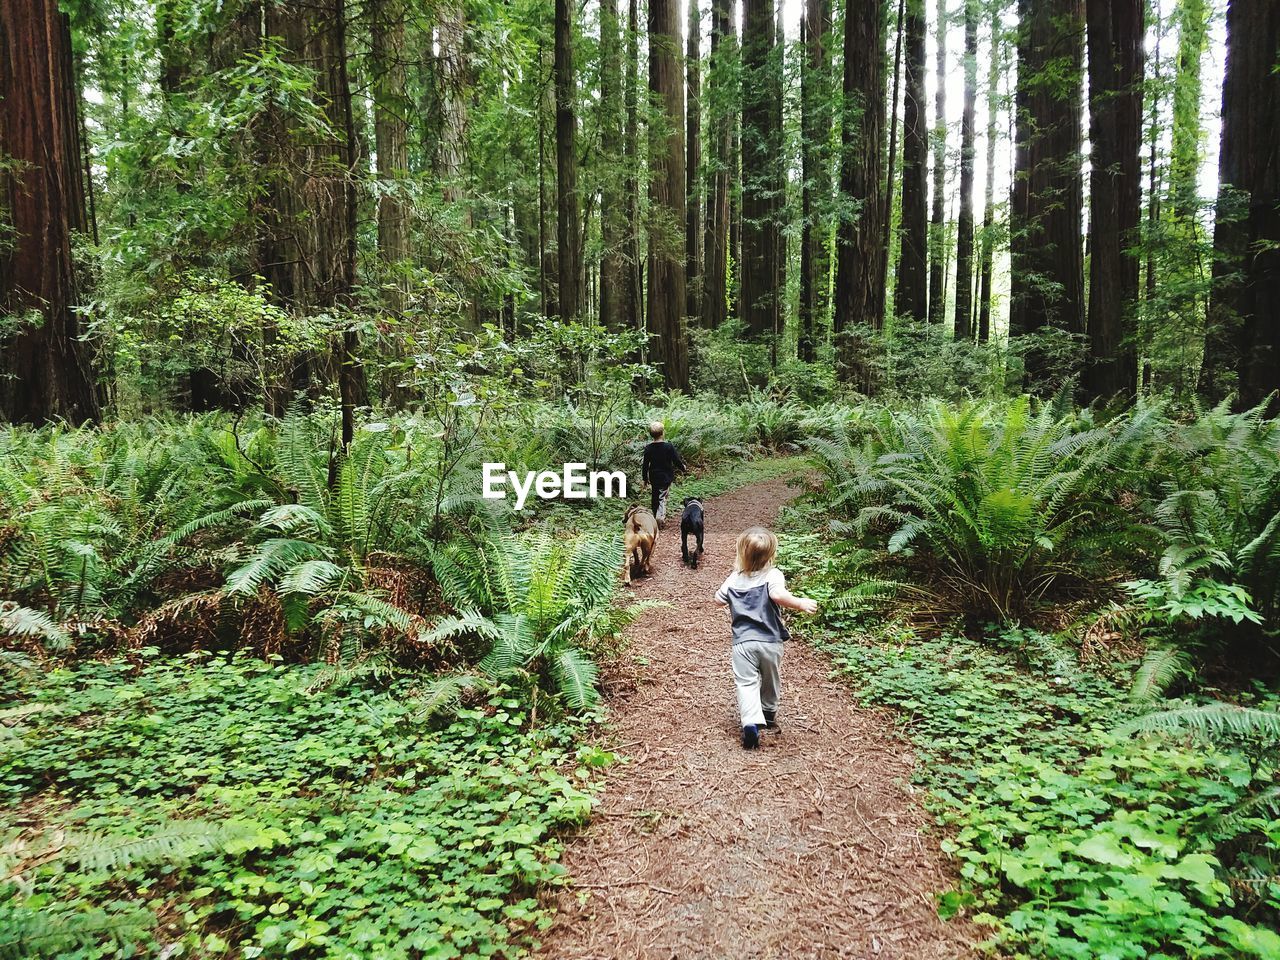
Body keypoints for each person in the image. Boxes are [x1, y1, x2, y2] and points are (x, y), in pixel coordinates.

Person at [714, 527, 819, 749]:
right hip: (770, 642)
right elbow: (777, 595)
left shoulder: (735, 578)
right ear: (771, 554)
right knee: (771, 677)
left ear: (741, 553)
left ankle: (750, 723)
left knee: (745, 683)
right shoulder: (773, 574)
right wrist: (799, 603)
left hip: (742, 643)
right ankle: (768, 713)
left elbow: (718, 599)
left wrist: (733, 589)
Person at [640, 421, 685, 526]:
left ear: (651, 435)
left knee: (655, 496)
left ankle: (655, 514)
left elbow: (645, 465)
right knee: (662, 497)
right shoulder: (668, 447)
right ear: (663, 433)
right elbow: (676, 460)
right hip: (666, 477)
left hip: (654, 477)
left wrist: (644, 479)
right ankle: (659, 518)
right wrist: (683, 468)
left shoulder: (648, 448)